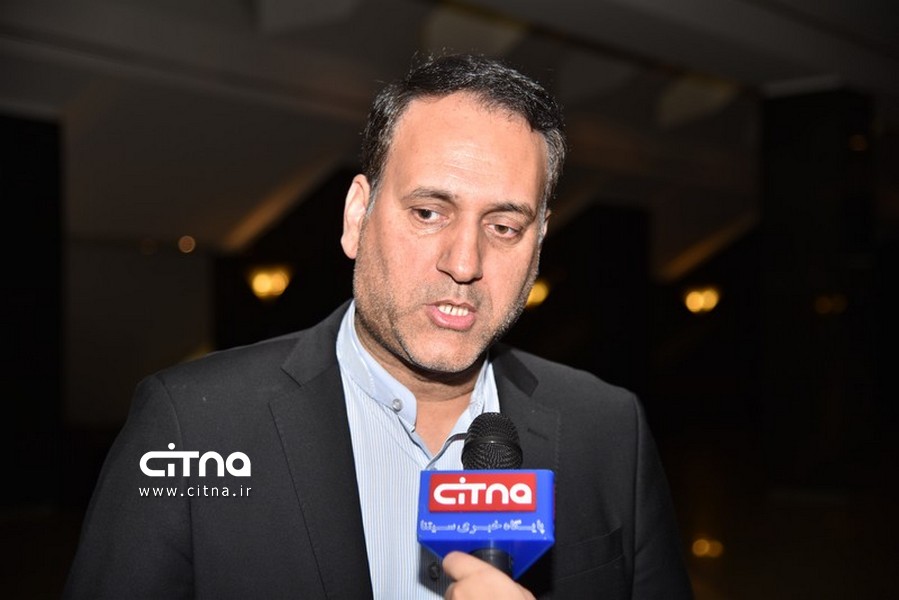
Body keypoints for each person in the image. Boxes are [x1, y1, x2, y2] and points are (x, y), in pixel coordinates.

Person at [64, 54, 692, 599]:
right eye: (428, 212)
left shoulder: (609, 429)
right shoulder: (192, 426)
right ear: (356, 216)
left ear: (539, 242)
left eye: (504, 227)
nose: (464, 263)